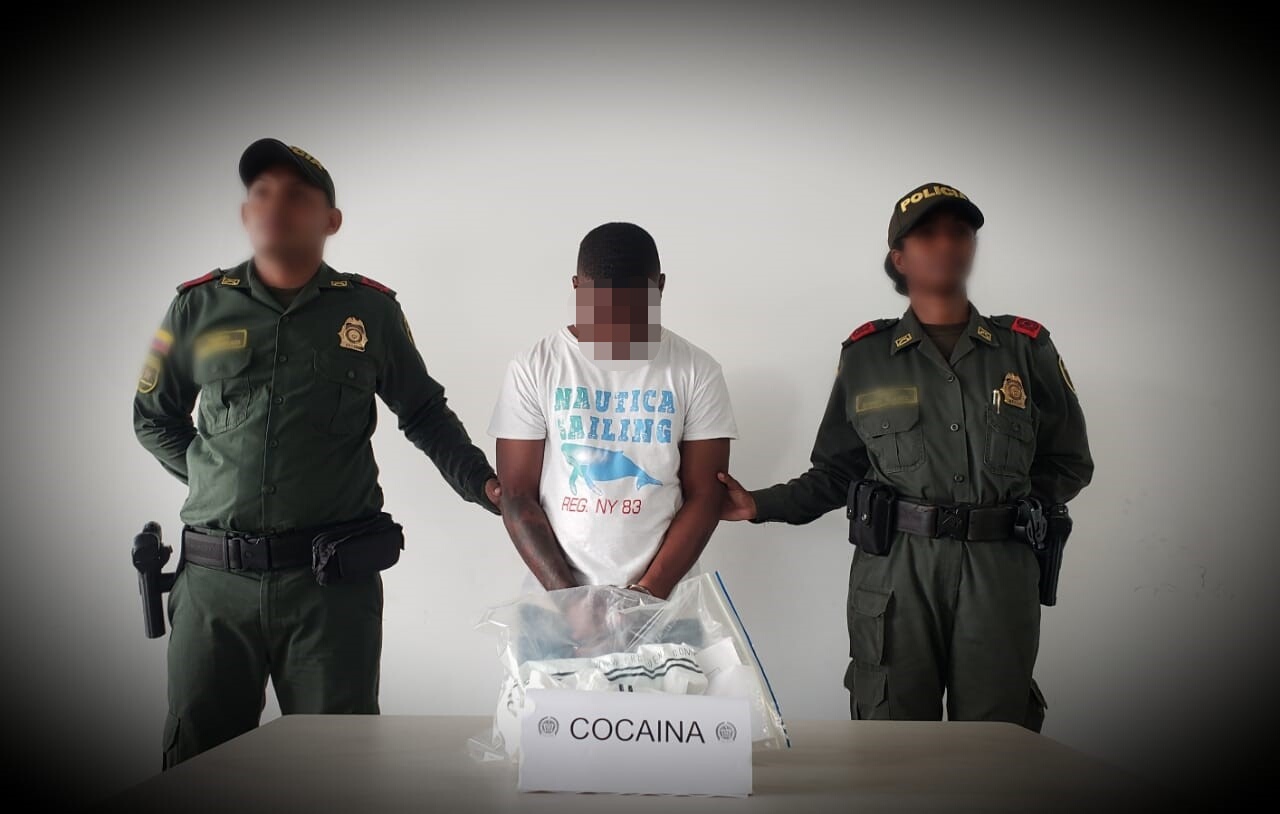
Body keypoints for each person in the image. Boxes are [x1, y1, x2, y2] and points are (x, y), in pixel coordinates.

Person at [132, 138, 501, 767]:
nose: (275, 204)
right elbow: (154, 417)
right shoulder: (194, 307)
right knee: (197, 766)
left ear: (331, 221)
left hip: (329, 589)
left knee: (338, 766)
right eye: (261, 193)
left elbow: (424, 413)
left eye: (297, 195)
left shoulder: (370, 312)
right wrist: (215, 476)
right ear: (246, 213)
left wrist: (486, 486)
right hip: (215, 588)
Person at [718, 182, 1093, 730]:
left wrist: (1005, 511)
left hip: (998, 571)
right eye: (927, 235)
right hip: (896, 571)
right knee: (891, 733)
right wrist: (758, 504)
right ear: (899, 257)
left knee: (997, 737)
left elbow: (1069, 461)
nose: (945, 245)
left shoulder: (1024, 348)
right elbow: (838, 470)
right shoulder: (867, 356)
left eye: (959, 233)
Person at [487, 222, 737, 653]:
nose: (618, 329)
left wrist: (645, 599)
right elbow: (517, 495)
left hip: (667, 608)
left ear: (660, 288)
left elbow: (706, 495)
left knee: (674, 703)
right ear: (577, 288)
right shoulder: (535, 366)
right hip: (553, 609)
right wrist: (572, 604)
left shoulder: (696, 370)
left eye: (636, 312)